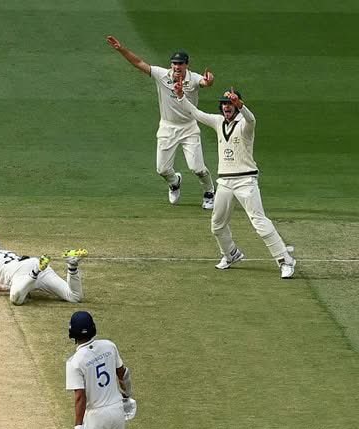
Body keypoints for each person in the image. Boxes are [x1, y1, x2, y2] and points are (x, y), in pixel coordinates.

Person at [174, 83, 296, 278]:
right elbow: (195, 113)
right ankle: (231, 254)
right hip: (224, 182)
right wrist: (180, 96)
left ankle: (285, 260)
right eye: (224, 103)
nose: (226, 106)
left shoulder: (245, 125)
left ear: (236, 105)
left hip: (246, 181)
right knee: (217, 224)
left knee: (259, 222)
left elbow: (251, 118)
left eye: (230, 103)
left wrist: (241, 105)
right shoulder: (217, 121)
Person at [105, 36, 216, 210]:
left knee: (198, 168)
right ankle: (174, 182)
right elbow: (139, 63)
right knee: (162, 170)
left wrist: (209, 81)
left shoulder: (194, 78)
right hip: (167, 127)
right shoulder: (162, 74)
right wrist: (121, 49)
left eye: (180, 64)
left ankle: (209, 192)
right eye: (174, 63)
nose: (177, 67)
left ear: (187, 65)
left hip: (189, 127)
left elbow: (205, 82)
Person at [0, 230, 87, 305]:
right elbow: (14, 283)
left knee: (16, 300)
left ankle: (35, 273)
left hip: (25, 274)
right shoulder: (5, 252)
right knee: (74, 297)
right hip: (34, 263)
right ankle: (72, 266)